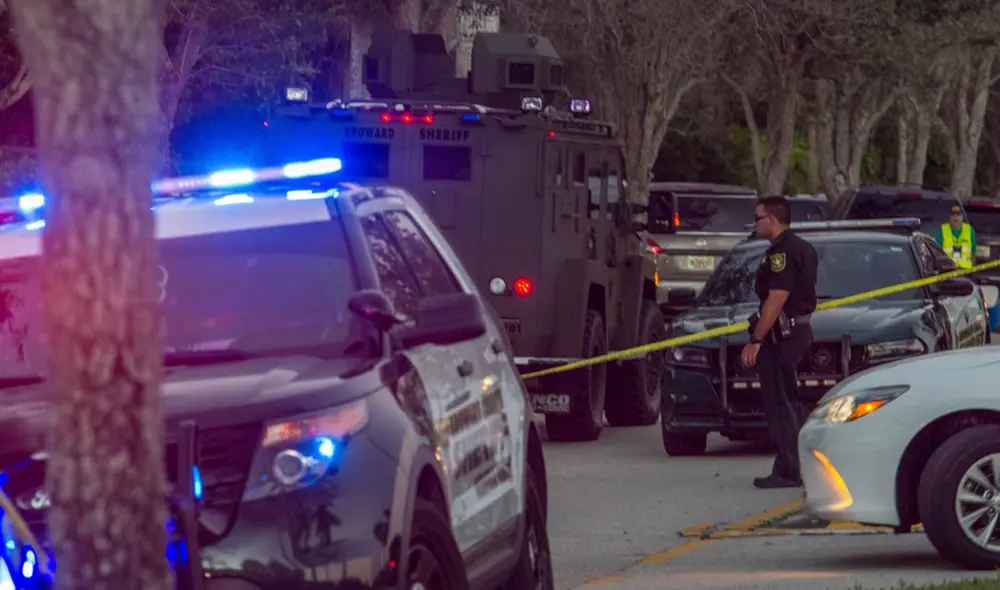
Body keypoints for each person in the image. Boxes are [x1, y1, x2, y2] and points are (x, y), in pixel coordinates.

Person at [741, 196, 818, 489]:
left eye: (757, 217)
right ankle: (791, 463)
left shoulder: (783, 252)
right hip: (795, 333)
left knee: (780, 404)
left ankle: (789, 469)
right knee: (790, 403)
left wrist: (756, 338)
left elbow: (777, 297)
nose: (754, 222)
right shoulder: (802, 247)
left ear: (771, 220)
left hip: (782, 337)